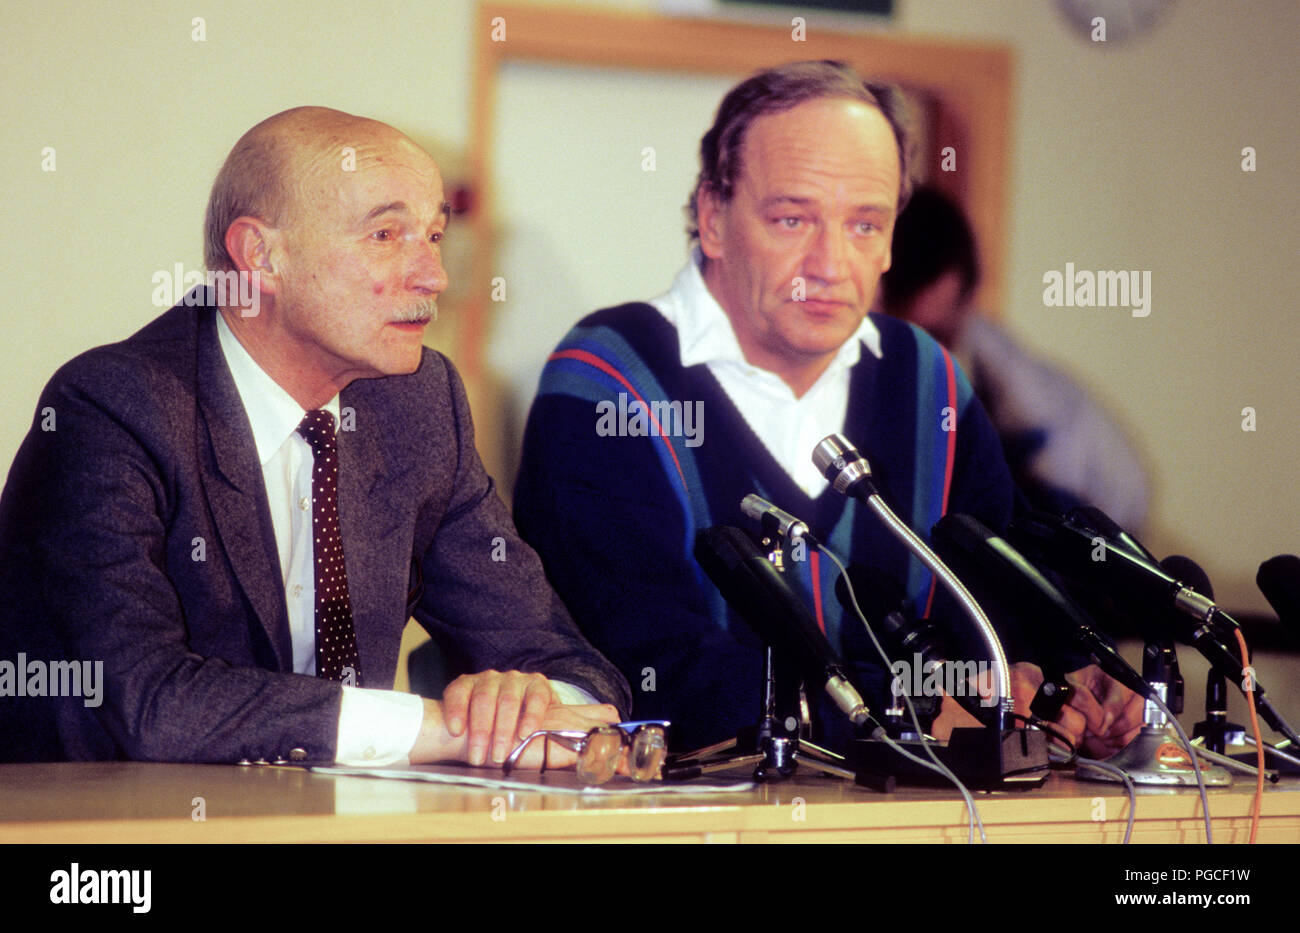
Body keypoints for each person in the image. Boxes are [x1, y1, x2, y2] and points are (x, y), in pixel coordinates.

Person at [514, 61, 1142, 757]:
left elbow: (1002, 597)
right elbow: (647, 675)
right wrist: (931, 708)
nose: (831, 263)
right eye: (792, 218)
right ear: (711, 217)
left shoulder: (923, 378)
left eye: (865, 224)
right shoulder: (608, 382)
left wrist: (1069, 679)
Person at [0, 107, 629, 768]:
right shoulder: (112, 408)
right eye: (386, 234)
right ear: (260, 256)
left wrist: (532, 706)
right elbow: (148, 703)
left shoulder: (416, 404)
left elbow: (562, 657)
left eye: (435, 235)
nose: (433, 275)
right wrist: (448, 727)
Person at [879, 186, 1150, 531]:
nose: (929, 351)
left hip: (1100, 522)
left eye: (939, 334)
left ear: (969, 297)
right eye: (912, 332)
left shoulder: (1016, 386)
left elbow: (1064, 500)